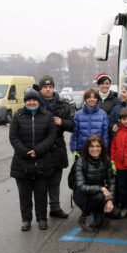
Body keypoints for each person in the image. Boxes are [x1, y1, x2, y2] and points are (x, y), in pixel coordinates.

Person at [9, 88, 57, 231]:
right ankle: (26, 220)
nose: (31, 102)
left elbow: (51, 136)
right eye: (29, 100)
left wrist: (38, 150)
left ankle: (42, 219)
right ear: (25, 101)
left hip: (42, 161)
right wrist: (25, 152)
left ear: (38, 101)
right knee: (24, 195)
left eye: (34, 100)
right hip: (21, 162)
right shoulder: (17, 116)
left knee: (41, 193)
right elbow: (13, 137)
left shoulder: (47, 115)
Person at [37, 75, 75, 219]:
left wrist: (62, 122)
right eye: (45, 87)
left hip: (57, 147)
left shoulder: (63, 105)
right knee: (41, 182)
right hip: (41, 147)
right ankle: (41, 212)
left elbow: (72, 125)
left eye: (50, 87)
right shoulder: (35, 104)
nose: (48, 89)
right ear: (40, 89)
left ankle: (55, 207)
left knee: (55, 180)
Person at [67, 134, 115, 232]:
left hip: (98, 192)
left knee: (115, 213)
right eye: (91, 146)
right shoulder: (80, 162)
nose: (95, 149)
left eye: (98, 146)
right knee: (98, 197)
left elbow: (111, 181)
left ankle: (97, 211)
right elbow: (80, 186)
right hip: (81, 193)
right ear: (87, 148)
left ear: (102, 147)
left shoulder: (106, 160)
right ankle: (84, 216)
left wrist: (110, 200)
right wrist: (101, 188)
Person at [70, 88, 109, 157]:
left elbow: (105, 134)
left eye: (94, 97)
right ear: (85, 99)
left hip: (97, 151)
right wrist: (74, 150)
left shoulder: (103, 114)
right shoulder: (78, 115)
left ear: (97, 99)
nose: (92, 99)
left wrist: (104, 149)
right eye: (89, 97)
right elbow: (74, 134)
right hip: (82, 151)